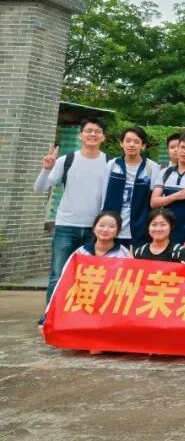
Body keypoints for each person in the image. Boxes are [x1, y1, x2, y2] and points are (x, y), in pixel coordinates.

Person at [35, 116, 110, 311]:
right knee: (59, 274)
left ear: (103, 137)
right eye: (88, 131)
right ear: (80, 135)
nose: (93, 134)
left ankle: (82, 318)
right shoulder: (66, 161)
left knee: (90, 277)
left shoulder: (110, 163)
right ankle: (51, 316)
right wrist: (46, 169)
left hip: (97, 230)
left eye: (98, 131)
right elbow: (40, 188)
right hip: (66, 226)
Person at [100, 125, 159, 250]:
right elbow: (103, 196)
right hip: (111, 229)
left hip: (139, 230)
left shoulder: (151, 167)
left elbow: (155, 200)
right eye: (128, 141)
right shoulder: (113, 165)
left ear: (143, 145)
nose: (131, 145)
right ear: (121, 143)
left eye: (136, 142)